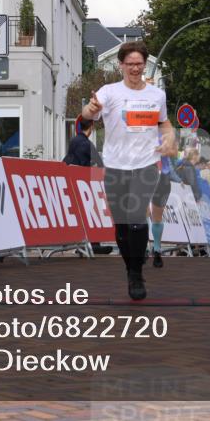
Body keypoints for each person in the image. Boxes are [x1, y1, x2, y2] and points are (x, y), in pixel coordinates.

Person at [82, 41, 176, 300]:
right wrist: (90, 110)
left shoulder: (157, 95)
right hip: (114, 165)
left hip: (145, 165)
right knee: (122, 225)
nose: (135, 68)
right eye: (130, 64)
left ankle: (136, 274)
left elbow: (164, 122)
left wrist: (169, 137)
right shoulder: (109, 92)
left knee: (136, 217)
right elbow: (87, 114)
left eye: (139, 64)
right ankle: (130, 267)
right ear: (121, 65)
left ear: (144, 65)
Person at [63, 117, 111, 255]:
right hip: (84, 184)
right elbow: (100, 163)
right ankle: (94, 243)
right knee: (92, 212)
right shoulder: (87, 144)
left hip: (71, 182)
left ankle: (81, 244)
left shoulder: (73, 141)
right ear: (91, 128)